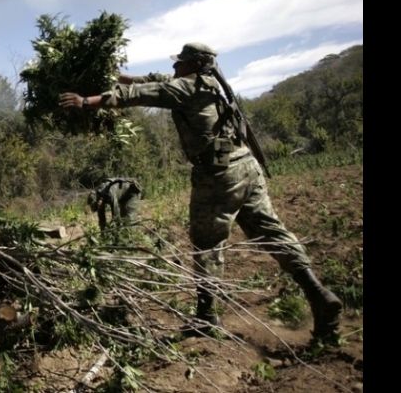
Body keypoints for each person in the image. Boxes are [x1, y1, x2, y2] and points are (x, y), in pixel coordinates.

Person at [59, 42, 342, 342]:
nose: (174, 66)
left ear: (194, 64)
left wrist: (85, 101)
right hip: (246, 167)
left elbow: (137, 94)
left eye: (180, 62)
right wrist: (113, 74)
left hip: (219, 176)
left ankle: (206, 318)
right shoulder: (210, 84)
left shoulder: (186, 89)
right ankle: (318, 294)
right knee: (271, 232)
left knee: (206, 244)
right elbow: (149, 80)